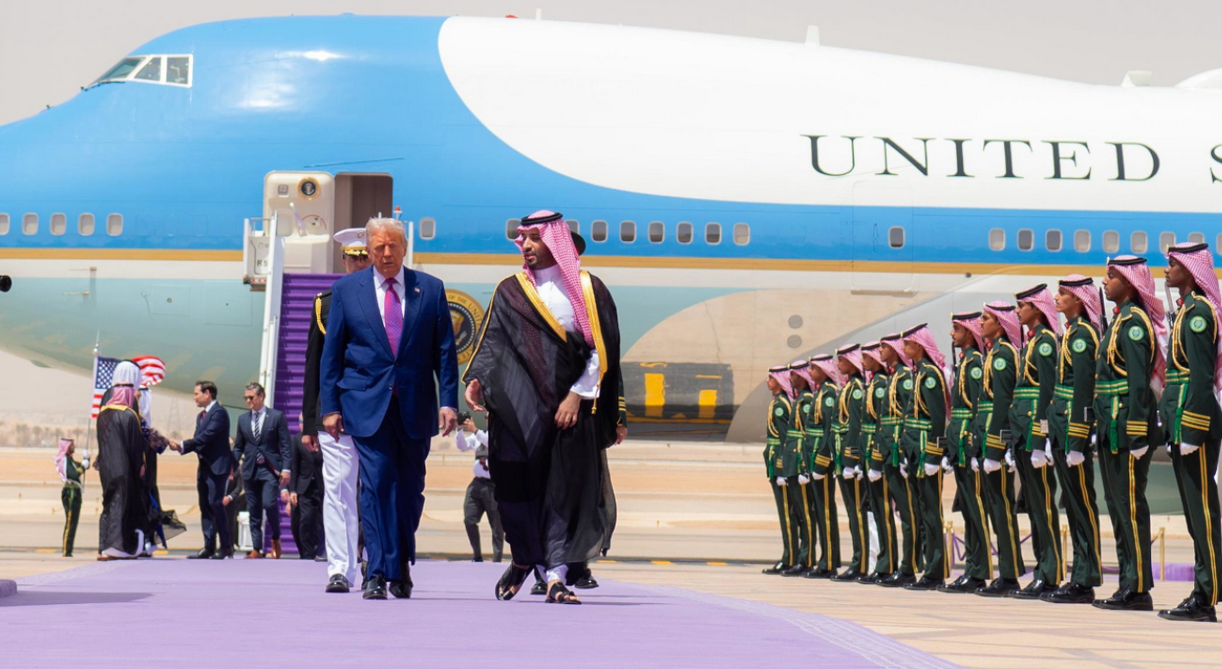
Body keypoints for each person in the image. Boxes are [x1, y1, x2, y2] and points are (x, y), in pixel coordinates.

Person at [463, 210, 623, 606]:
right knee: (515, 487)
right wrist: (477, 378)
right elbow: (493, 340)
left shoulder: (588, 289)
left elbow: (602, 350)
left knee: (563, 492)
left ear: (555, 241)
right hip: (520, 412)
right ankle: (523, 558)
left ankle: (555, 575)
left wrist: (577, 395)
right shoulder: (511, 290)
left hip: (569, 411)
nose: (526, 246)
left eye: (535, 238)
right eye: (524, 238)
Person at [321, 217, 460, 600]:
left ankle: (399, 563)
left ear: (404, 248)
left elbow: (445, 353)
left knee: (410, 491)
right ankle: (379, 572)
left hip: (415, 405)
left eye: (392, 246)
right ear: (368, 250)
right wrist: (330, 407)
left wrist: (449, 401)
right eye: (379, 247)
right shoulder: (347, 290)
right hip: (366, 404)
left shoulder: (429, 289)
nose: (386, 253)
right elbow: (332, 354)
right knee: (378, 484)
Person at [302, 227, 372, 592]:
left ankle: (376, 563)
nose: (358, 263)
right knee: (339, 491)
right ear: (344, 260)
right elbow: (313, 365)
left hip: (377, 410)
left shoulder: (389, 300)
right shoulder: (325, 304)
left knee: (376, 490)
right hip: (337, 414)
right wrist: (309, 421)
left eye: (364, 257)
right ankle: (340, 568)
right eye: (352, 258)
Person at [1092, 256, 1163, 612]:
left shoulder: (1134, 322)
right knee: (1118, 504)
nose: (1105, 282)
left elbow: (1137, 382)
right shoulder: (1119, 320)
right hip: (1112, 423)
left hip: (1126, 425)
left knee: (1130, 506)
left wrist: (1136, 432)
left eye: (1111, 276)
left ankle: (1137, 589)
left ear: (1130, 282)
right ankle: (1127, 582)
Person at [1158, 243, 1222, 623]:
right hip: (1182, 417)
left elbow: (1200, 375)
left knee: (1202, 511)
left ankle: (1206, 596)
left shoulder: (1199, 313)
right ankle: (1202, 589)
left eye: (1173, 265)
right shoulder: (1186, 311)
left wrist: (1193, 429)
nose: (1166, 270)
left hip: (1194, 419)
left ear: (1190, 270)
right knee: (1194, 512)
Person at [1042, 276, 1104, 604]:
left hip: (1071, 428)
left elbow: (1083, 387)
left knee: (1081, 504)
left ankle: (1086, 578)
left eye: (1063, 294)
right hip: (1061, 425)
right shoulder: (1070, 333)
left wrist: (1078, 437)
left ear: (1078, 300)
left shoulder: (1082, 335)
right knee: (1073, 505)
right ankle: (1079, 575)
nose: (1057, 297)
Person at [1010, 284, 1064, 599]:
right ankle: (1041, 570)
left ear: (1037, 309)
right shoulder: (1032, 342)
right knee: (1033, 507)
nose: (1018, 312)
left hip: (1034, 431)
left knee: (1043, 506)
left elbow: (1047, 391)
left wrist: (1042, 436)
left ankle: (1050, 573)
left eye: (1023, 306)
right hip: (1023, 432)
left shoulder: (1044, 343)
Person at [975, 302, 1025, 597]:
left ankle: (1009, 574)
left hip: (997, 443)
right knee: (995, 509)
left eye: (985, 318)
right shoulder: (994, 353)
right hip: (988, 440)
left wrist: (996, 448)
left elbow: (1003, 402)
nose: (980, 323)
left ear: (1000, 323)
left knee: (1002, 509)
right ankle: (1006, 572)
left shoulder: (1003, 354)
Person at [939, 311, 992, 594]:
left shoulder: (974, 365)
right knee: (968, 511)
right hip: (959, 444)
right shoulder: (965, 363)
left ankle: (979, 570)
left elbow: (977, 409)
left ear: (969, 333)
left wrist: (973, 445)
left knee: (976, 510)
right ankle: (972, 568)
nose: (952, 334)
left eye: (957, 329)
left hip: (968, 443)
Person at [900, 324, 950, 590]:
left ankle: (935, 571)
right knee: (921, 511)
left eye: (907, 344)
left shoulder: (929, 374)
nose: (904, 348)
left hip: (924, 449)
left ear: (919, 346)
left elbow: (937, 418)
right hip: (914, 449)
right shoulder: (919, 373)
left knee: (931, 513)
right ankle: (928, 568)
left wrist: (933, 454)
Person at [169, 380, 234, 560]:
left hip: (217, 468)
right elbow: (198, 439)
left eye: (197, 393)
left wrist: (183, 445)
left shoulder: (219, 413)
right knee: (205, 506)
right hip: (204, 467)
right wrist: (182, 447)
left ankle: (226, 546)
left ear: (207, 394)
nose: (194, 397)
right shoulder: (201, 416)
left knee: (215, 504)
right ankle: (209, 546)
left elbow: (207, 437)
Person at [876, 334, 919, 588]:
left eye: (884, 347)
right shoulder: (893, 378)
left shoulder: (904, 378)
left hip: (898, 449)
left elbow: (907, 416)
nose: (880, 351)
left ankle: (909, 567)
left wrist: (902, 450)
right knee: (901, 511)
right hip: (888, 449)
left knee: (907, 512)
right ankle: (902, 566)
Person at [232, 382, 292, 559]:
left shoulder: (276, 417)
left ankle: (275, 536)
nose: (248, 401)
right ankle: (256, 548)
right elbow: (238, 446)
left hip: (269, 469)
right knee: (254, 509)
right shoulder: (243, 419)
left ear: (261, 397)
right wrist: (232, 466)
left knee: (269, 503)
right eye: (246, 398)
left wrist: (286, 469)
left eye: (251, 397)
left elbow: (286, 446)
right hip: (250, 469)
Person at [96, 371, 148, 560]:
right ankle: (117, 547)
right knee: (121, 505)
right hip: (124, 469)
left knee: (108, 503)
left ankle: (104, 546)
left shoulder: (102, 415)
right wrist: (140, 466)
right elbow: (135, 447)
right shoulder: (129, 415)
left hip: (106, 469)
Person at [831, 343, 869, 582]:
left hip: (850, 458)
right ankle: (858, 560)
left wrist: (852, 458)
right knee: (852, 514)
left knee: (857, 514)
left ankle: (861, 563)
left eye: (843, 360)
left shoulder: (856, 389)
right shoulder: (847, 388)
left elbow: (855, 426)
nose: (838, 365)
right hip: (841, 456)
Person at [859, 343, 896, 584]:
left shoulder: (881, 385)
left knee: (882, 511)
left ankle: (886, 564)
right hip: (869, 452)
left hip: (878, 452)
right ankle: (878, 563)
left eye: (866, 357)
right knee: (873, 511)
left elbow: (882, 424)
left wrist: (877, 457)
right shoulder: (874, 384)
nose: (862, 362)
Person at [804, 354, 842, 578]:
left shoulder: (828, 395)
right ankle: (826, 558)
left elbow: (829, 430)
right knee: (819, 511)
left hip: (822, 461)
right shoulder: (819, 393)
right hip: (813, 457)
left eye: (813, 368)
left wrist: (821, 462)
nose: (809, 372)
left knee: (825, 511)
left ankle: (829, 563)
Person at [761, 365, 799, 575]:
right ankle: (789, 556)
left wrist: (783, 468)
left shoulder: (780, 405)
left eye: (771, 378)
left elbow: (785, 439)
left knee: (787, 514)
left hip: (780, 463)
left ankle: (790, 558)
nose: (767, 381)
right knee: (785, 514)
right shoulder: (777, 402)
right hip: (774, 461)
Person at [455, 412, 504, 563]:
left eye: (491, 417)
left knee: (496, 526)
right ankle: (477, 556)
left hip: (494, 486)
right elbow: (462, 446)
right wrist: (459, 429)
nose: (488, 420)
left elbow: (492, 444)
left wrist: (475, 430)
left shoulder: (502, 436)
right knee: (469, 519)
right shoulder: (479, 435)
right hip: (477, 483)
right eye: (486, 418)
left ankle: (497, 559)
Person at [288, 432, 325, 560]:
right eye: (302, 422)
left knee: (325, 521)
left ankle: (325, 551)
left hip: (323, 486)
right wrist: (293, 490)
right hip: (305, 487)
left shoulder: (324, 437)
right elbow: (294, 466)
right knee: (306, 520)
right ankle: (307, 554)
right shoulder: (297, 439)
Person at [56, 438, 89, 557]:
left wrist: (86, 459)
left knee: (73, 522)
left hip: (75, 493)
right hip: (70, 494)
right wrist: (83, 466)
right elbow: (73, 474)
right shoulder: (65, 460)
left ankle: (69, 549)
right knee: (70, 522)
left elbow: (81, 467)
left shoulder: (70, 460)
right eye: (71, 445)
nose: (73, 447)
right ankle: (66, 550)